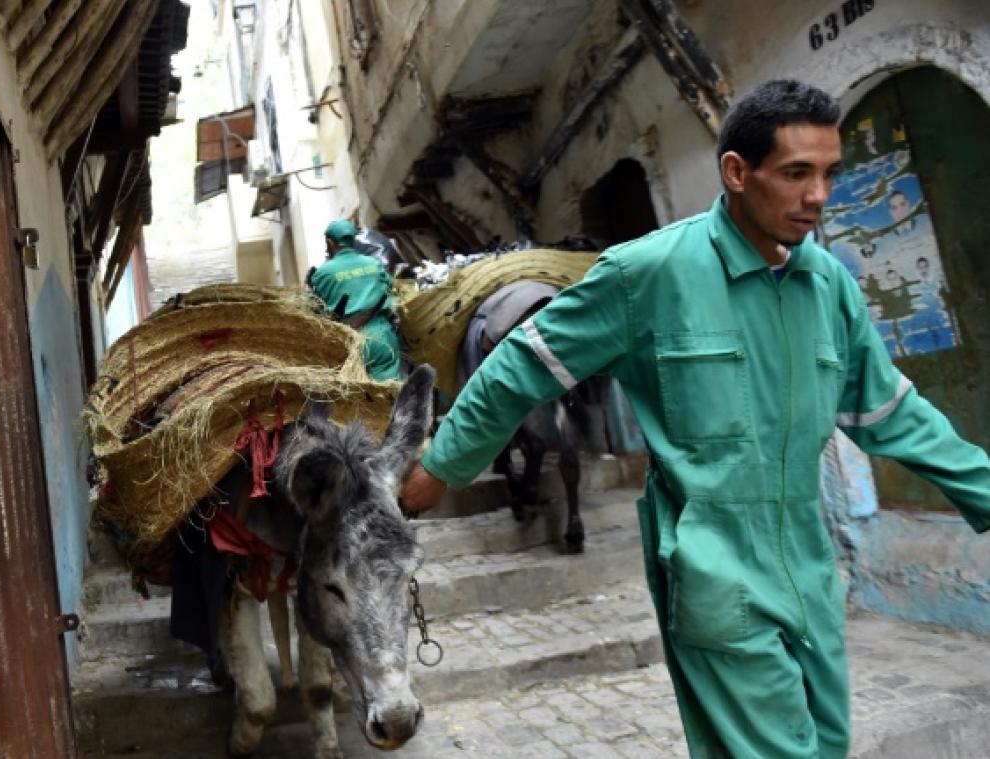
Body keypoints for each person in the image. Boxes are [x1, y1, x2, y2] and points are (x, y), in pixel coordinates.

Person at [399, 79, 990, 758]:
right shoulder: (647, 273)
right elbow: (520, 366)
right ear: (736, 173)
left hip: (810, 567)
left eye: (829, 173)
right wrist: (442, 464)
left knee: (827, 744)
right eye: (796, 174)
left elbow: (892, 414)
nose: (819, 196)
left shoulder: (829, 285)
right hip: (716, 572)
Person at [308, 219, 402, 381]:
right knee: (390, 393)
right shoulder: (374, 264)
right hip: (381, 336)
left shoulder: (322, 274)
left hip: (347, 342)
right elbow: (391, 290)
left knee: (354, 398)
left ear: (330, 242)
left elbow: (316, 311)